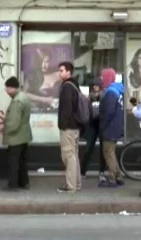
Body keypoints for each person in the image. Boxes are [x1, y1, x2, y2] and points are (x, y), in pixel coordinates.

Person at [56, 61, 82, 193]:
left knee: (68, 156)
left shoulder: (67, 87)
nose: (59, 73)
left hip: (68, 128)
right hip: (75, 126)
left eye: (61, 70)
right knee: (74, 155)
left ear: (68, 72)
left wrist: (62, 125)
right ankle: (76, 183)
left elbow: (67, 108)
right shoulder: (74, 85)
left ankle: (70, 186)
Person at [3, 76, 32, 191]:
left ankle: (13, 185)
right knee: (22, 161)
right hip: (24, 135)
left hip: (16, 136)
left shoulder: (17, 100)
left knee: (14, 162)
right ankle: (24, 182)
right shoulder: (24, 97)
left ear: (11, 88)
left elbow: (14, 122)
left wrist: (5, 130)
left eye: (6, 88)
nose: (6, 91)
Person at [98, 68, 124, 188]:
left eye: (103, 76)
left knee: (108, 152)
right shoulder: (118, 90)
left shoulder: (110, 92)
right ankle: (118, 176)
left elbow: (108, 112)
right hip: (117, 125)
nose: (101, 79)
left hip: (110, 127)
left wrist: (103, 126)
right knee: (111, 152)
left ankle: (112, 178)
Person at [81, 78, 106, 182]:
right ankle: (83, 171)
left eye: (97, 85)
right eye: (94, 85)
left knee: (103, 150)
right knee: (88, 148)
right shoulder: (89, 97)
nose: (95, 87)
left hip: (102, 124)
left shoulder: (104, 96)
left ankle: (102, 172)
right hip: (92, 125)